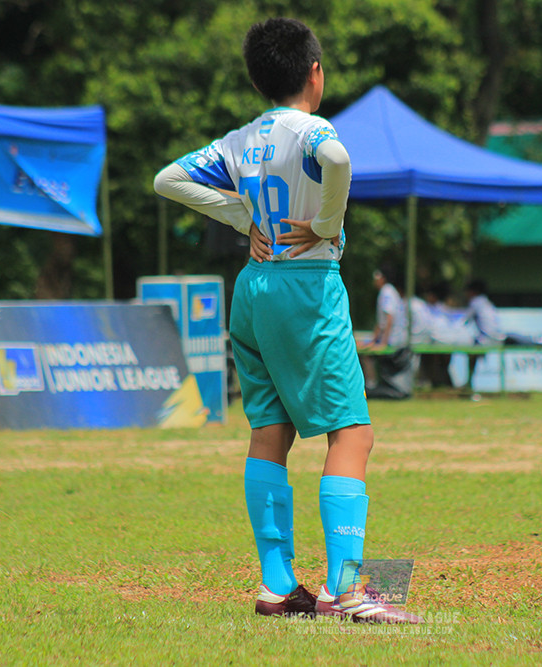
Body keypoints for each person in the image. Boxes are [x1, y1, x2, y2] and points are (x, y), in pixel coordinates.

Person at [153, 18, 420, 624]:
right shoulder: (314, 129)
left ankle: (278, 586)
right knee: (352, 433)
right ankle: (349, 591)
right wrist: (327, 226)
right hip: (308, 285)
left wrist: (240, 217)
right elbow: (338, 157)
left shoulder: (243, 139)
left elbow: (168, 179)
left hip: (253, 289)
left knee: (270, 431)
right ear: (314, 73)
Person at [359, 266, 414, 399]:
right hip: (393, 338)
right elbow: (382, 323)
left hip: (394, 340)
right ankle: (370, 385)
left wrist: (382, 342)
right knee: (362, 345)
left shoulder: (387, 292)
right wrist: (373, 340)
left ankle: (370, 386)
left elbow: (389, 318)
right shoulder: (389, 291)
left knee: (366, 354)